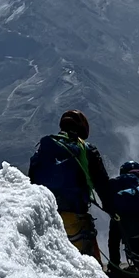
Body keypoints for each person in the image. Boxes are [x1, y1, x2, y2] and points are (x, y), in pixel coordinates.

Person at [27, 110, 113, 262]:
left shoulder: (45, 148)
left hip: (48, 220)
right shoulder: (86, 150)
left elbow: (31, 182)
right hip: (76, 219)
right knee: (88, 268)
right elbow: (104, 188)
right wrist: (114, 211)